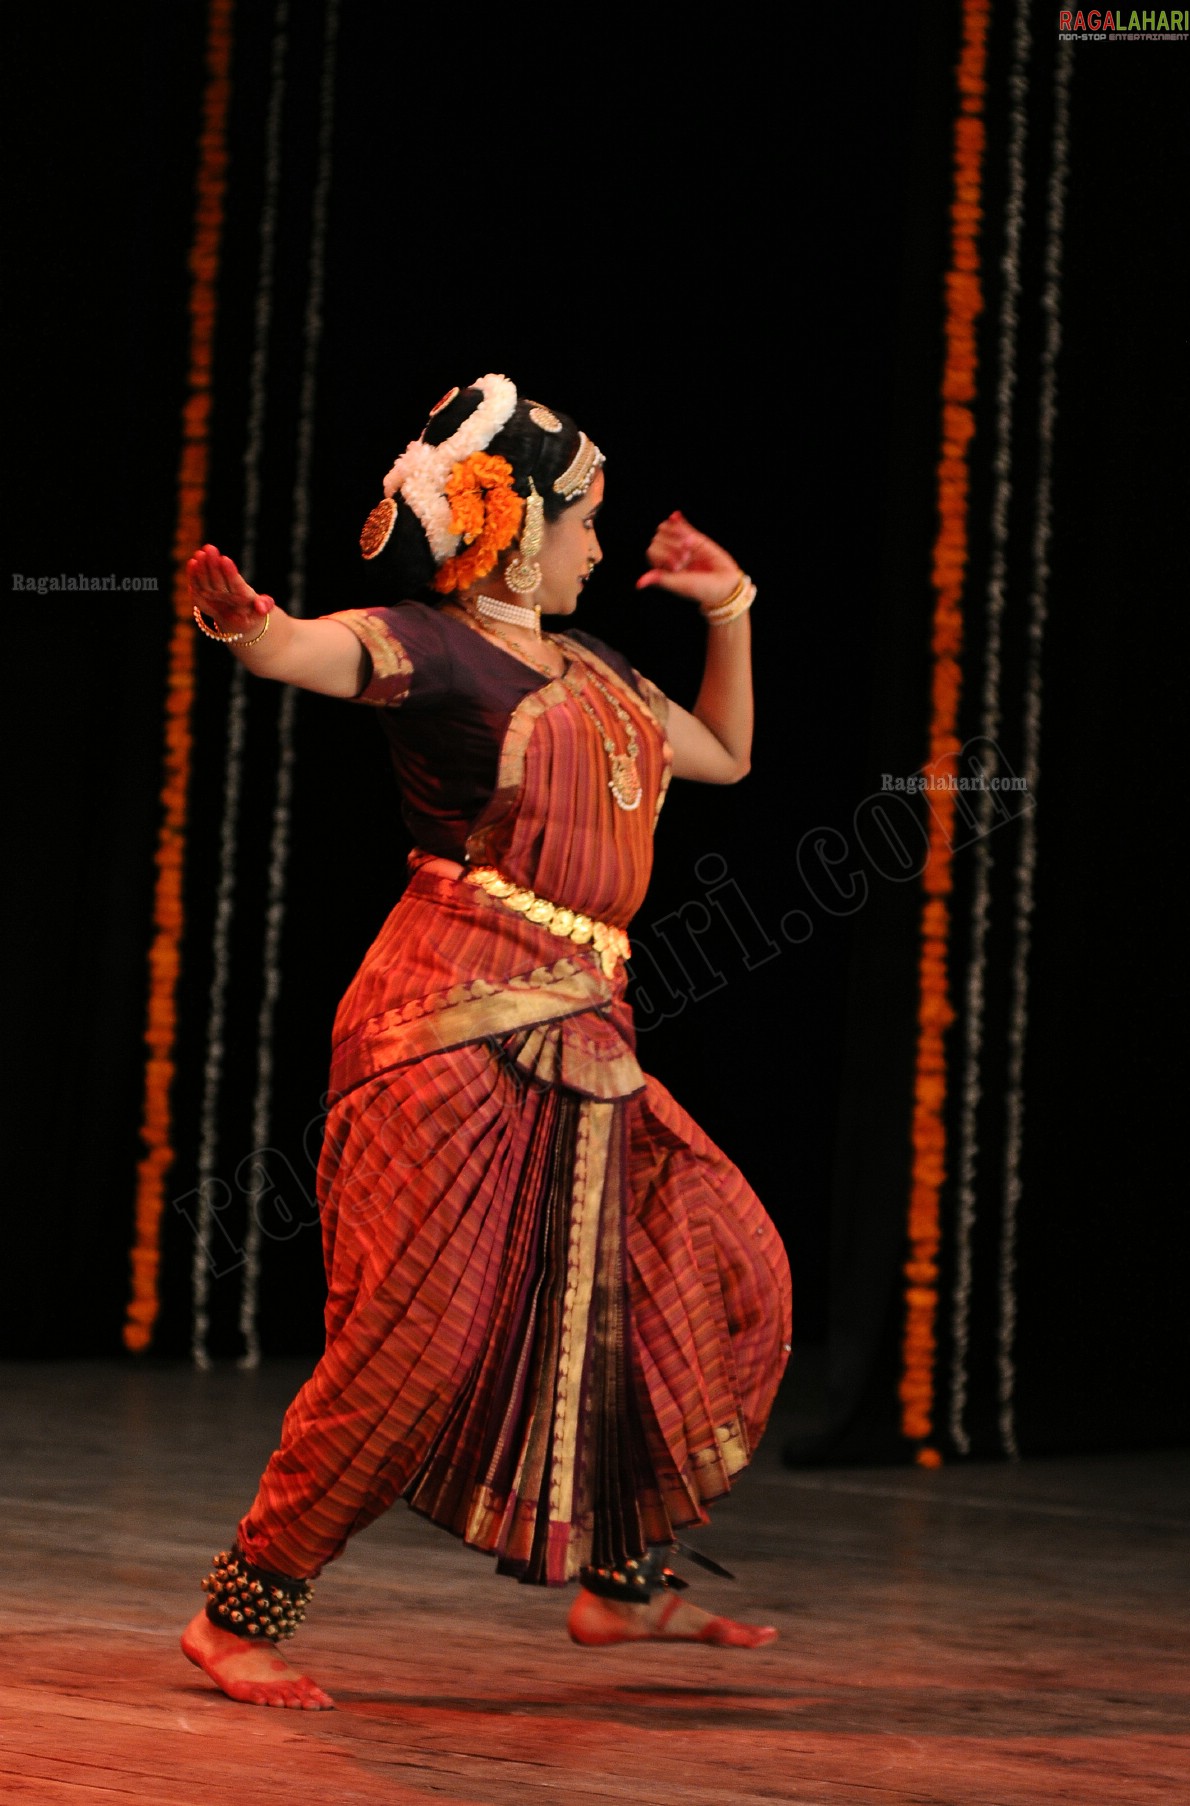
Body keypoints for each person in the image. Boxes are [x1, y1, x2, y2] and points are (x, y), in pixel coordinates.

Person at [180, 375, 792, 1709]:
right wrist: (253, 629)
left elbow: (730, 757)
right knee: (423, 1335)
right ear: (514, 524)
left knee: (679, 1278)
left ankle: (622, 1585)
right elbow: (316, 653)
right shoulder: (439, 648)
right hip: (445, 1024)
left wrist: (732, 607)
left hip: (580, 1027)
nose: (594, 546)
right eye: (581, 521)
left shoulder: (601, 672)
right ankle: (241, 1608)